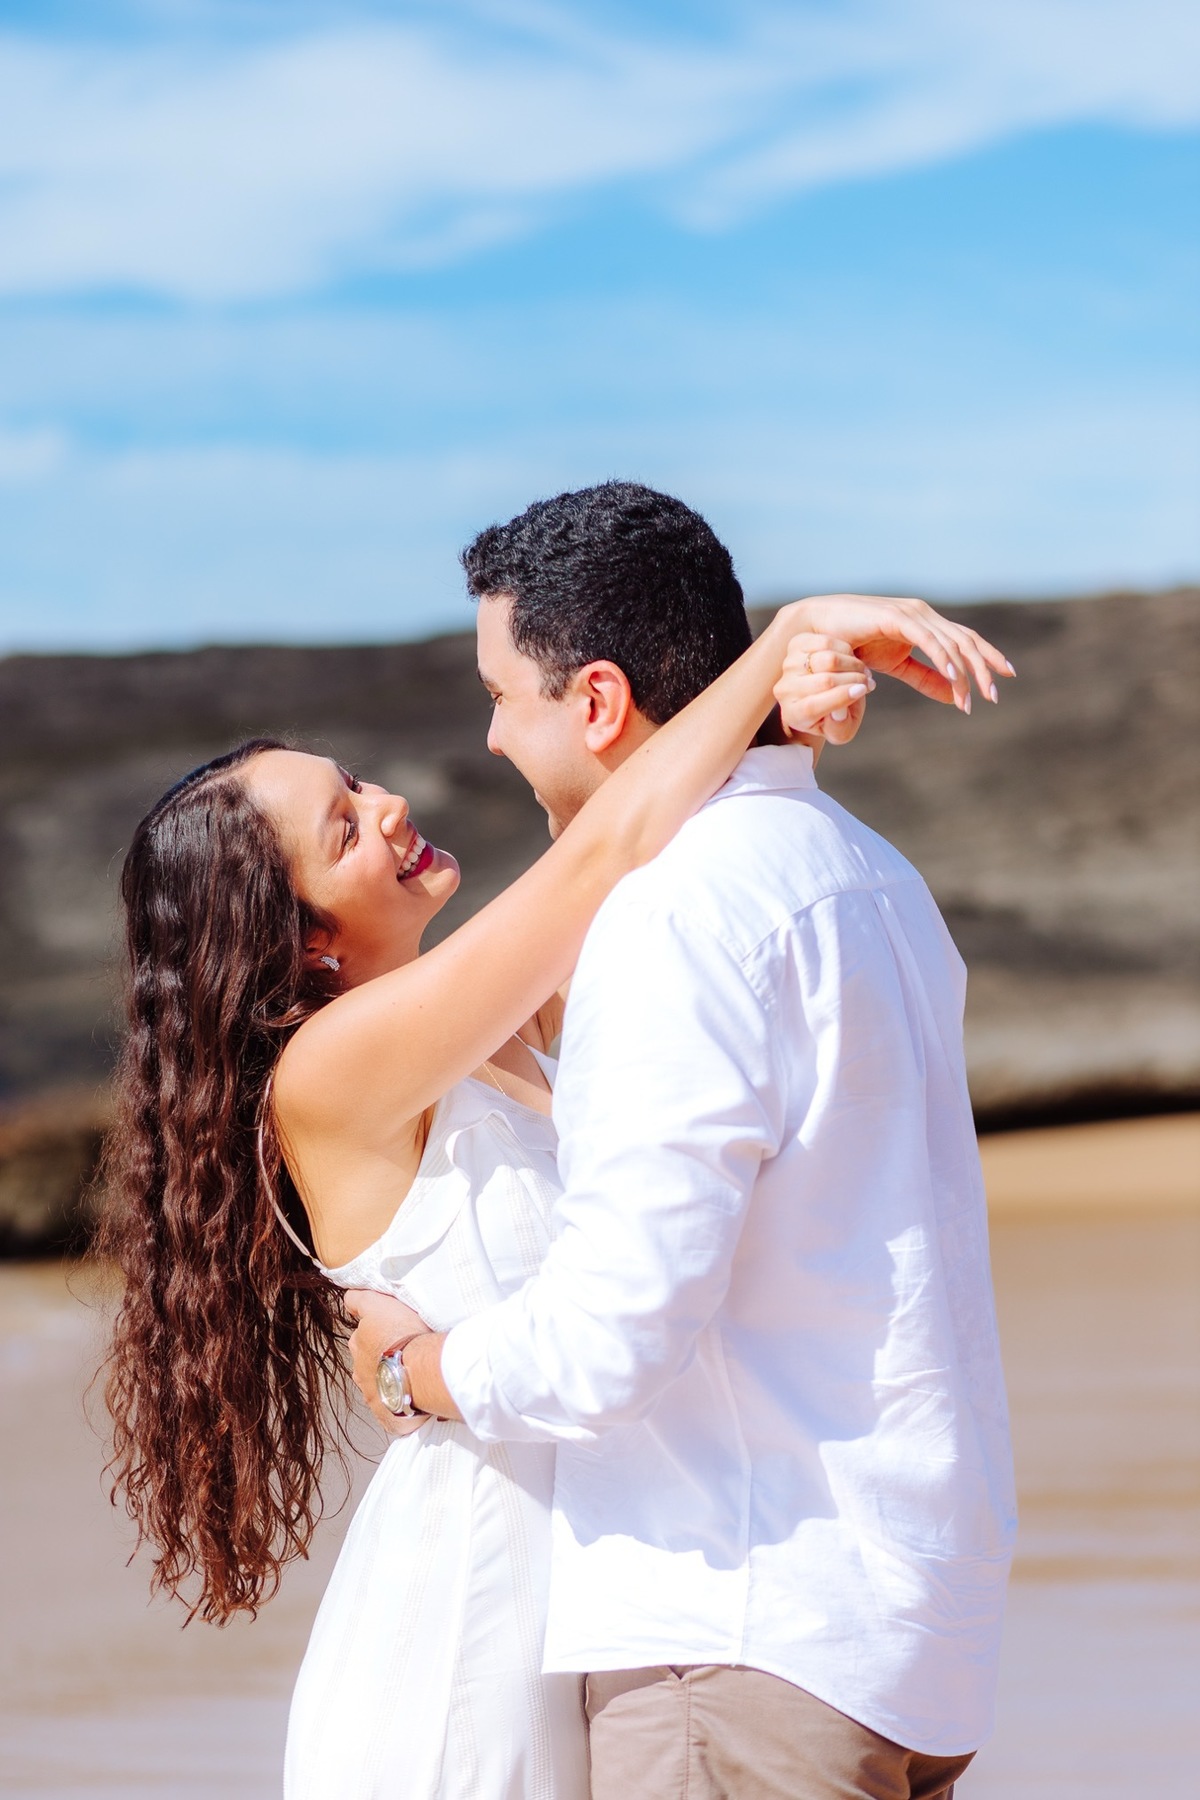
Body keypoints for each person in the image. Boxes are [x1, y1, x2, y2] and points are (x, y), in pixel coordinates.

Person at [101, 538, 1000, 1798]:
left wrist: (779, 718)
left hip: (612, 1562)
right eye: (345, 826)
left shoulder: (489, 1016)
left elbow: (644, 840)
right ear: (299, 940)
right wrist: (775, 648)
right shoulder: (336, 1067)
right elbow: (605, 852)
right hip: (479, 1593)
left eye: (358, 781)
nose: (395, 804)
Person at [347, 482, 1018, 1800]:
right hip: (917, 1630)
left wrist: (416, 1374)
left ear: (595, 702)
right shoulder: (872, 874)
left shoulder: (675, 915)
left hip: (736, 1633)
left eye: (503, 695)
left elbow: (615, 1330)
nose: (488, 739)